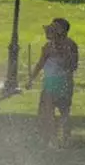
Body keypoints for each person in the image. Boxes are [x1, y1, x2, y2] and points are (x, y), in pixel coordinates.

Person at [26, 18, 79, 149]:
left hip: (56, 82)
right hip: (61, 82)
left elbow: (41, 65)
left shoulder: (57, 46)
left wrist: (31, 80)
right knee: (60, 112)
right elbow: (73, 66)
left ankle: (55, 140)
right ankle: (61, 139)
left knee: (52, 112)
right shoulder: (64, 45)